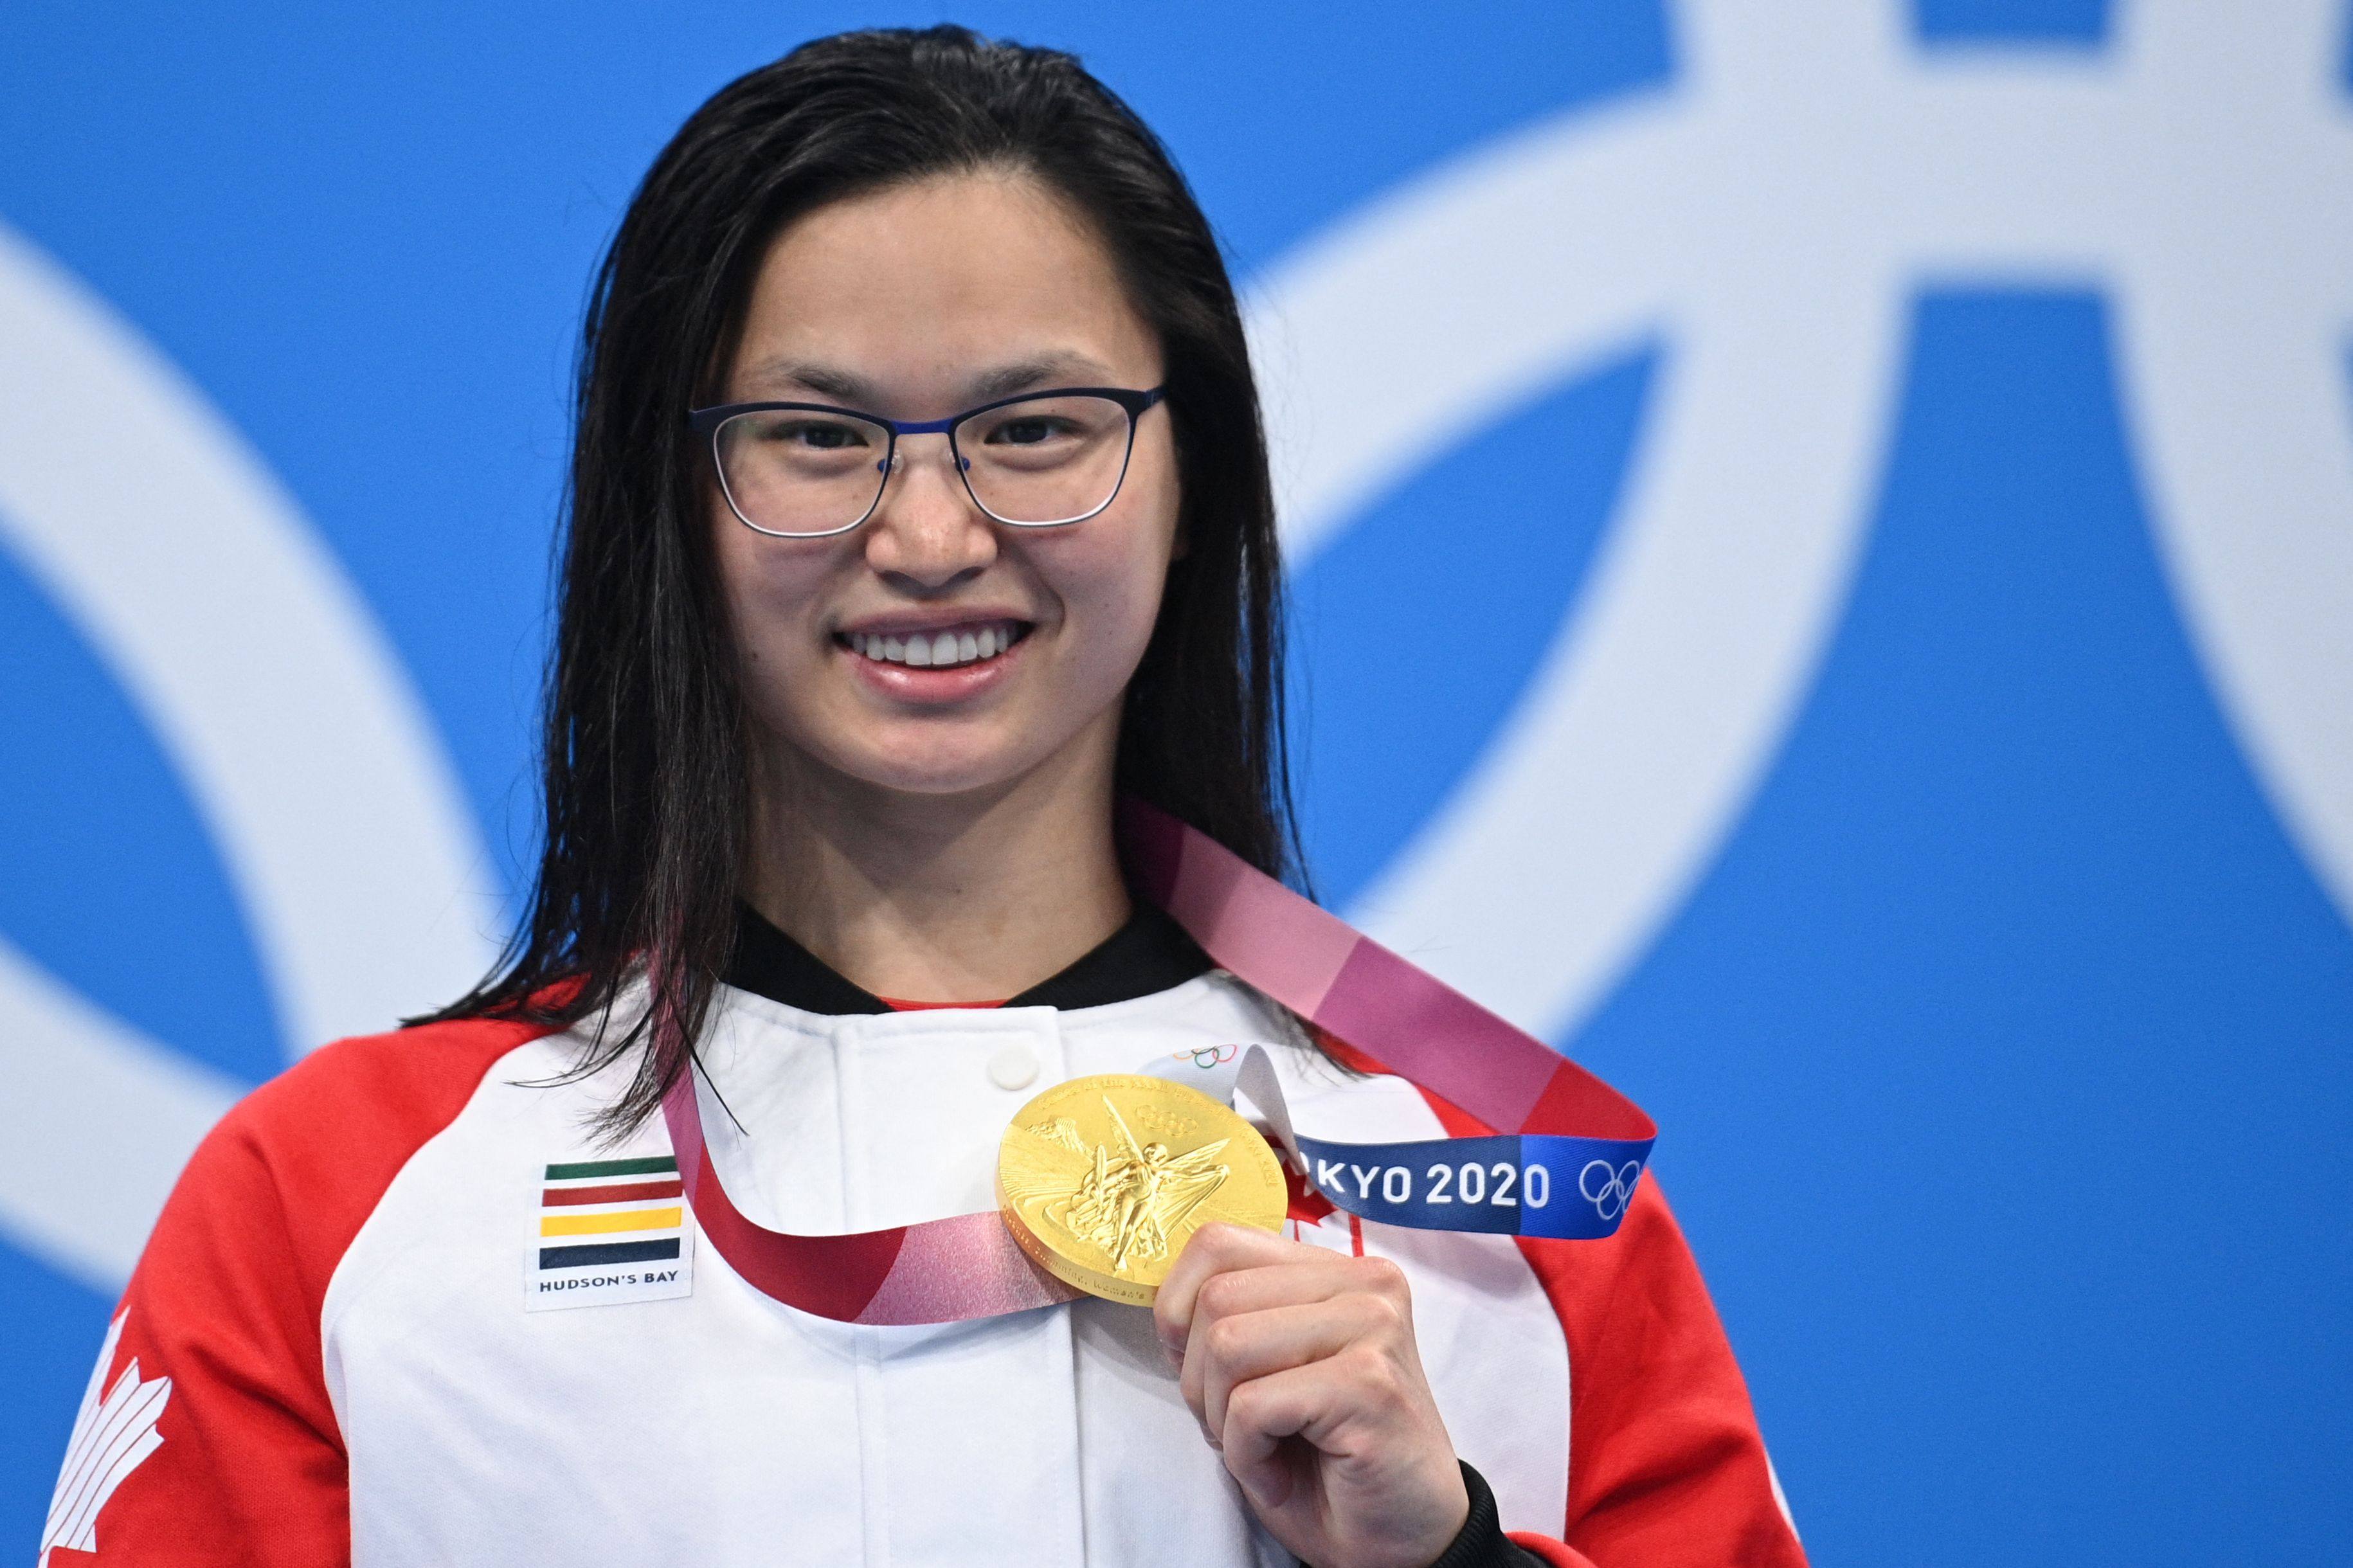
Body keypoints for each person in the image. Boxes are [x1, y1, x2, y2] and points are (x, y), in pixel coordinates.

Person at [45, 26, 1805, 1568]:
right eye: (816, 438)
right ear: (669, 500)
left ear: (1195, 479)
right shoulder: (337, 1200)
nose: (931, 537)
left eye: (1034, 428)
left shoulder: (1498, 1207)